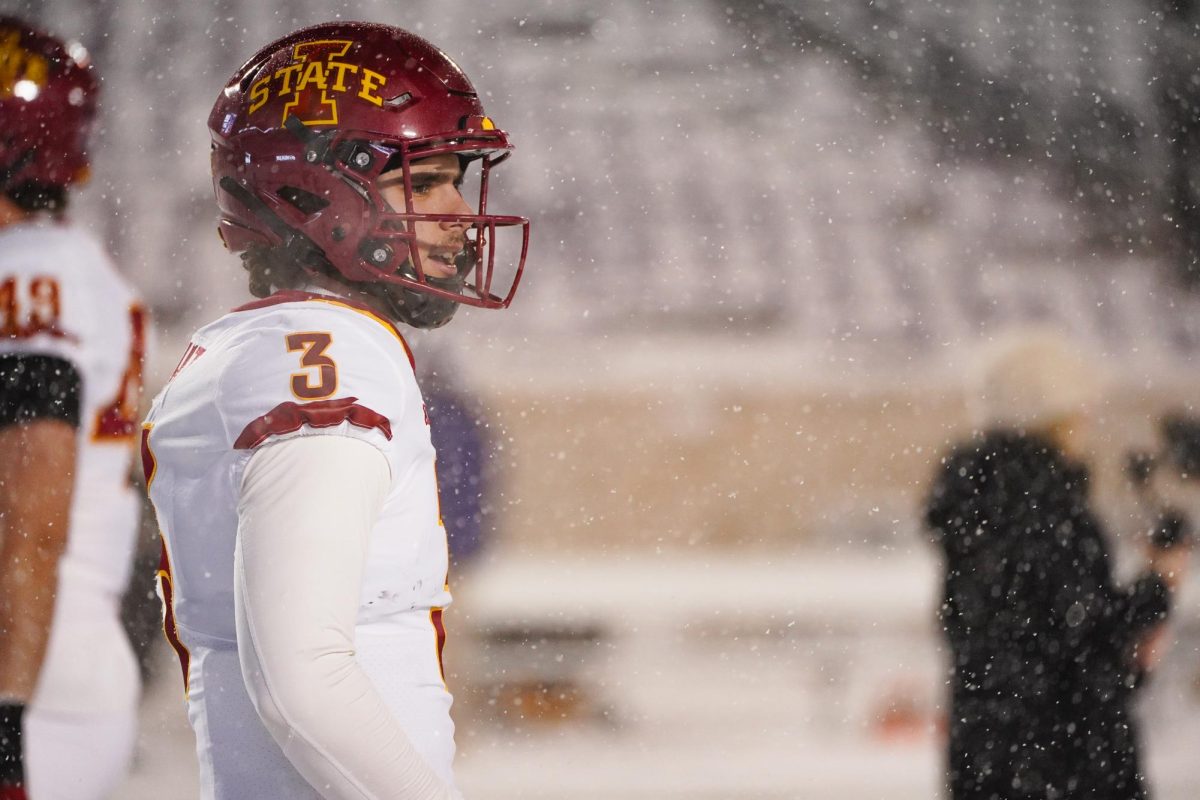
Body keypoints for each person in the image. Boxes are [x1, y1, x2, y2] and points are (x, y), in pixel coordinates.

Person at [139, 21, 529, 799]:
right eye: (421, 183)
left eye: (454, 178)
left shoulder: (277, 346)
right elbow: (303, 679)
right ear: (313, 195)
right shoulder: (321, 357)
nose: (456, 210)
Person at [924, 329, 1190, 800]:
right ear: (1057, 417)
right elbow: (1089, 646)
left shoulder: (974, 507)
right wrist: (1159, 584)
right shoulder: (1048, 509)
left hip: (987, 760)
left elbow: (1008, 643)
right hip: (1066, 762)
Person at [0, 16, 145, 800]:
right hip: (59, 652)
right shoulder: (73, 268)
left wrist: (7, 728)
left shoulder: (29, 274)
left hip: (27, 670)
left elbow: (31, 515)